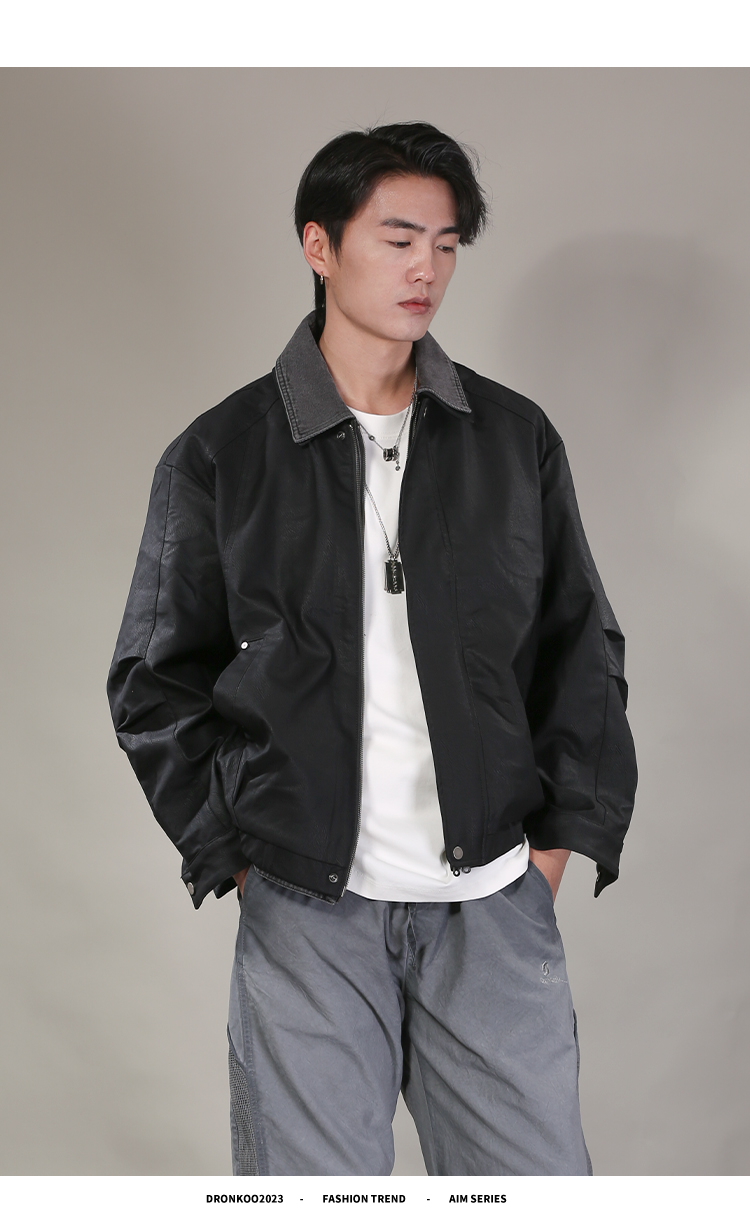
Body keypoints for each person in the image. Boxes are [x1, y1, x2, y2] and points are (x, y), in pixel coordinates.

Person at [107, 121, 637, 1177]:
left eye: (445, 244)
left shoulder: (511, 438)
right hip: (306, 905)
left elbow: (580, 647)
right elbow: (153, 679)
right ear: (320, 246)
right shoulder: (223, 453)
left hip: (492, 902)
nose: (424, 269)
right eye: (398, 240)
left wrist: (552, 849)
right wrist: (238, 856)